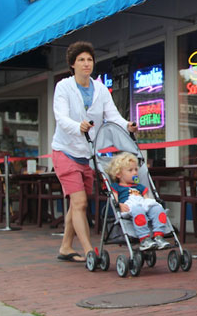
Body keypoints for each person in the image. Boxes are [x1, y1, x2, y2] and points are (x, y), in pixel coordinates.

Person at [53, 41, 136, 263]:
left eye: (89, 59)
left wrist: (127, 125)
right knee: (79, 202)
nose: (86, 63)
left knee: (77, 203)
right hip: (65, 151)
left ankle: (65, 247)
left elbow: (113, 115)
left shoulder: (100, 89)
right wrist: (77, 125)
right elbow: (60, 117)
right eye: (81, 60)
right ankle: (91, 252)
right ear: (73, 64)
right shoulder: (63, 87)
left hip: (89, 153)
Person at [106, 152, 172, 250]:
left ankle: (159, 236)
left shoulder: (139, 187)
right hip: (130, 206)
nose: (135, 172)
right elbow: (114, 200)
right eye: (130, 170)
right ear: (119, 174)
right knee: (138, 209)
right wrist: (119, 205)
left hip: (141, 203)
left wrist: (151, 204)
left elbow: (146, 199)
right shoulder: (117, 187)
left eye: (136, 169)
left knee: (157, 208)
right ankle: (144, 239)